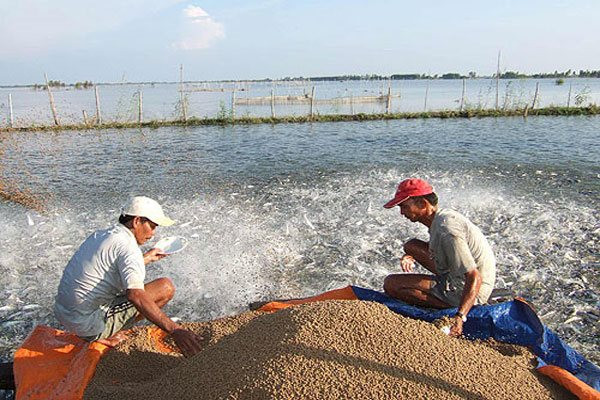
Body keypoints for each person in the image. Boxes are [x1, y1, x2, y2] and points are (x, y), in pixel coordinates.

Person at [54, 196, 203, 357]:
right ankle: (101, 334)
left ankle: (98, 327)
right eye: (152, 226)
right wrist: (175, 330)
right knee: (165, 287)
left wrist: (146, 258)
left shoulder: (102, 235)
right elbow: (135, 295)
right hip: (84, 324)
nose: (153, 234)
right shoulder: (129, 248)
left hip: (64, 312)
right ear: (137, 221)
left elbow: (108, 269)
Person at [382, 178, 496, 337]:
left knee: (392, 284)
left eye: (404, 207)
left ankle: (449, 307)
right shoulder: (441, 218)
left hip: (471, 287)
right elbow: (441, 247)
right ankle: (448, 298)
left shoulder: (446, 230)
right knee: (411, 246)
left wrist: (460, 317)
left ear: (422, 204)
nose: (402, 213)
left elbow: (473, 276)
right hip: (460, 276)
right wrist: (412, 255)